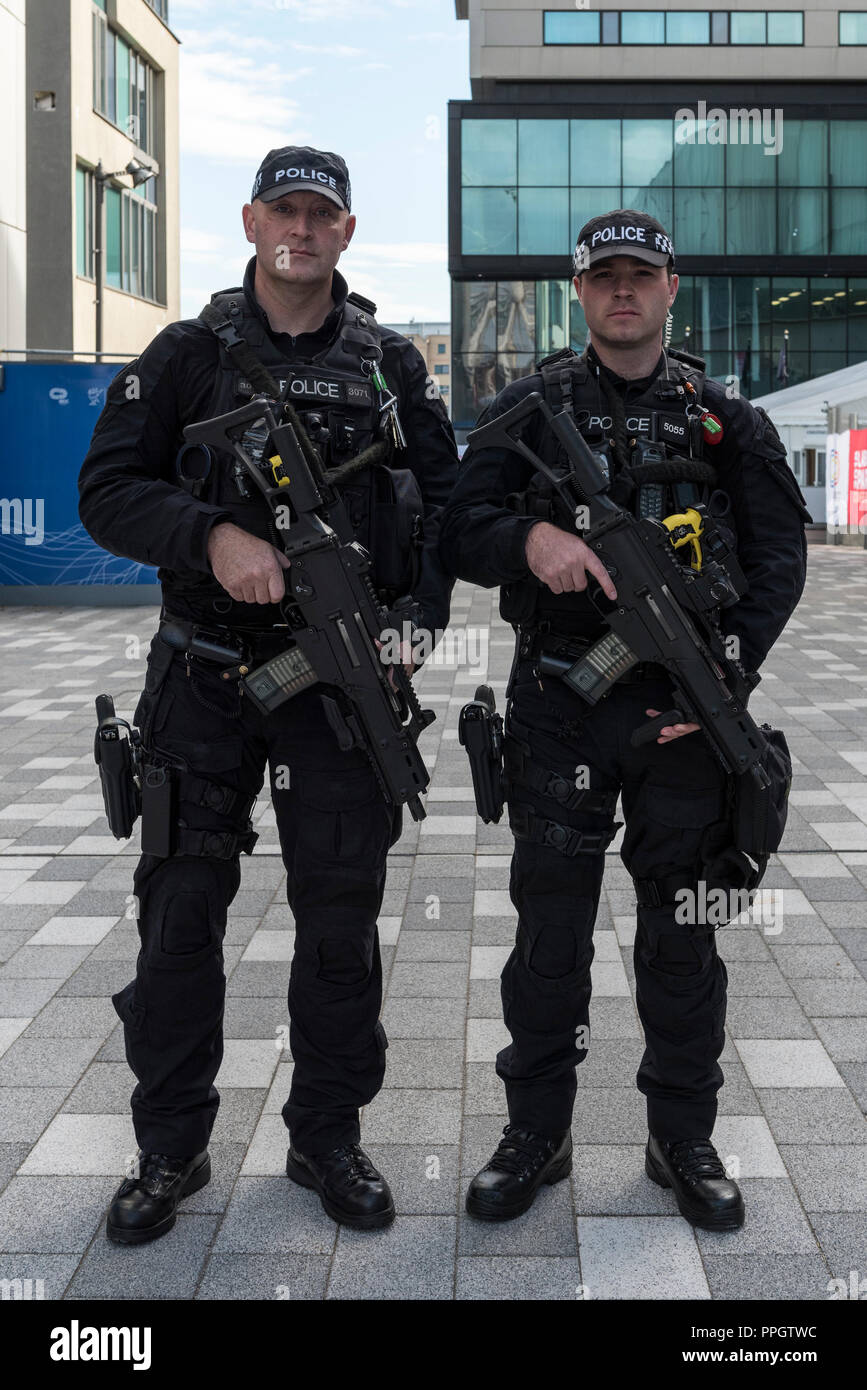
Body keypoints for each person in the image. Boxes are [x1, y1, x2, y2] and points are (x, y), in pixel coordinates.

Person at [79, 145, 457, 1242]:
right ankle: (169, 1146)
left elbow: (443, 506)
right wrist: (215, 535)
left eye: (320, 212)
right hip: (202, 671)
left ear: (344, 230)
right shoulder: (187, 354)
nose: (301, 226)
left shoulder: (390, 362)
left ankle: (327, 1136)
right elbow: (107, 492)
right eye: (283, 208)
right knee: (180, 916)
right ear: (251, 221)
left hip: (338, 688)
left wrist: (415, 623)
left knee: (339, 919)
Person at [438, 209, 809, 1231]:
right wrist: (532, 541)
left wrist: (723, 678)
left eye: (641, 274)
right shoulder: (529, 408)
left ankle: (680, 1137)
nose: (624, 292)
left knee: (684, 937)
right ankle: (536, 1135)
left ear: (671, 287)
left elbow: (780, 561)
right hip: (560, 703)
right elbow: (459, 531)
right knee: (548, 932)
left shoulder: (727, 420)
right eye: (604, 277)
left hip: (685, 720)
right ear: (581, 290)